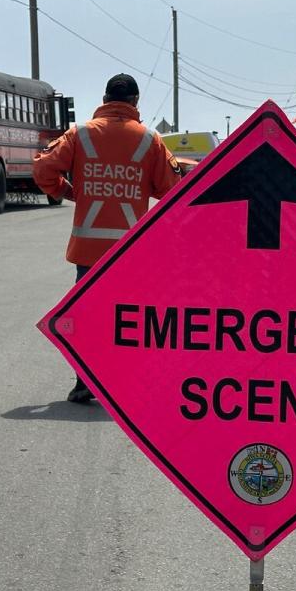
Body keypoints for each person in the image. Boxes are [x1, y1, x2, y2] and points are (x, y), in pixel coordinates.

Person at [33, 73, 183, 403]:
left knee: (89, 318)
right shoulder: (149, 139)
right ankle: (126, 384)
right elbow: (173, 190)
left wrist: (67, 192)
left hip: (88, 252)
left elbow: (43, 169)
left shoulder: (81, 134)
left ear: (104, 100)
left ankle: (86, 381)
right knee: (129, 321)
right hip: (130, 254)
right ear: (135, 103)